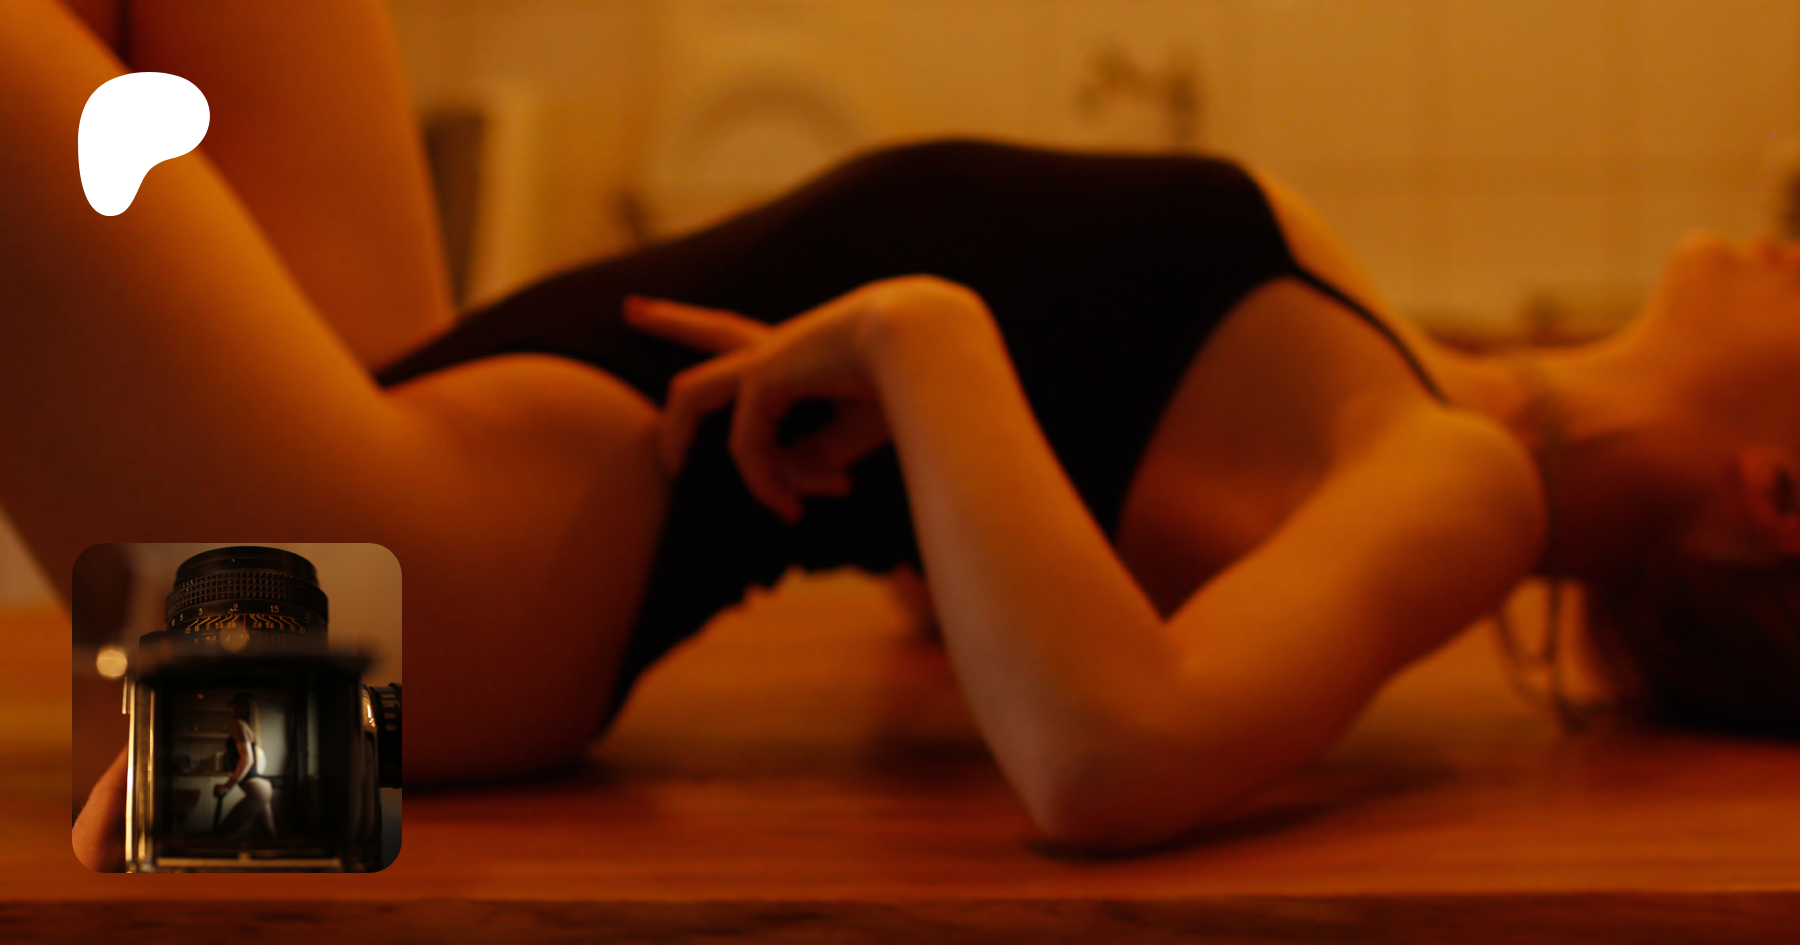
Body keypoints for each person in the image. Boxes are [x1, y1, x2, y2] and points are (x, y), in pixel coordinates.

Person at [25, 0, 1800, 861]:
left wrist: (922, 335)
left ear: (1779, 493)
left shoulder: (1463, 475)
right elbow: (1031, 601)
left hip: (373, 609)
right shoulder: (1419, 404)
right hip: (411, 455)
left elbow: (1112, 756)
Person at [213, 692, 277, 840]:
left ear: (248, 708)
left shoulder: (238, 724)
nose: (236, 707)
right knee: (269, 835)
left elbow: (247, 759)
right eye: (235, 703)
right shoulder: (247, 726)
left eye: (241, 704)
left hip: (257, 788)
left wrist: (228, 786)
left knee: (221, 834)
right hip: (262, 787)